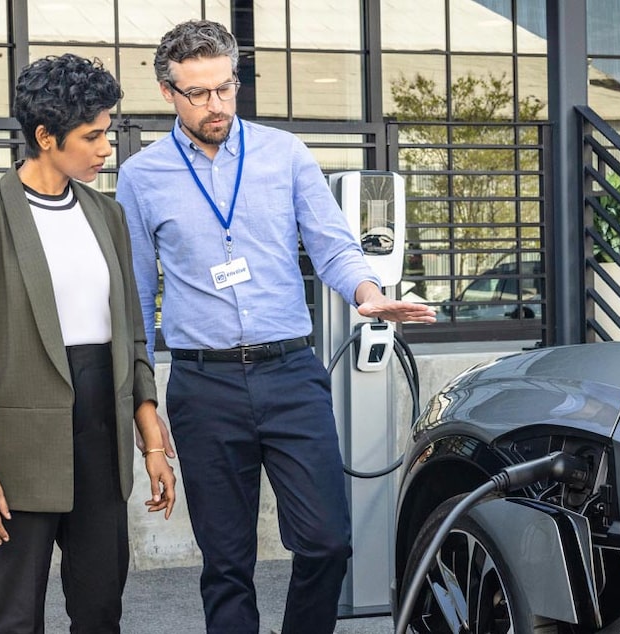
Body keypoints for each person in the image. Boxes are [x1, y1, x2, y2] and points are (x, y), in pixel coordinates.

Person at [115, 20, 437, 634]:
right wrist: (143, 406)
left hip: (291, 374)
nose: (216, 105)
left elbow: (335, 248)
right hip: (203, 386)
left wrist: (371, 294)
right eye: (199, 93)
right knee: (227, 563)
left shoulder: (284, 154)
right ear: (167, 93)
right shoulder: (141, 177)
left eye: (225, 88)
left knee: (327, 543)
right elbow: (135, 298)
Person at [0, 53, 176, 634]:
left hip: (102, 435)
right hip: (18, 451)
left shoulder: (107, 215)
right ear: (45, 136)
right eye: (92, 135)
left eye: (108, 132)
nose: (105, 148)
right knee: (16, 618)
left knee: (100, 611)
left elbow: (132, 330)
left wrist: (150, 438)